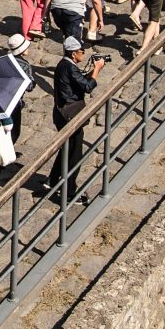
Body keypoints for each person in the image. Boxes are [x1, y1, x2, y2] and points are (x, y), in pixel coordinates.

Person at [51, 38, 104, 205]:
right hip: (70, 115)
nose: (84, 54)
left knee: (66, 149)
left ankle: (53, 180)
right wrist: (97, 69)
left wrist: (91, 72)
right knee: (74, 155)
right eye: (82, 51)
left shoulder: (64, 65)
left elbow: (79, 83)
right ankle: (68, 193)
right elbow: (87, 87)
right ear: (74, 53)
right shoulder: (69, 67)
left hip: (61, 113)